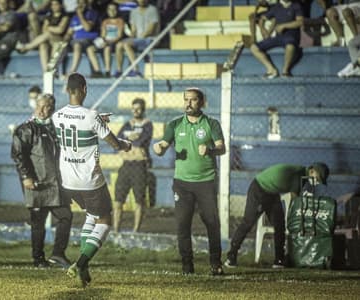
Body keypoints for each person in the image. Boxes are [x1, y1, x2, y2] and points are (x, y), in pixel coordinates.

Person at [51, 72, 131, 287]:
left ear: (67, 90)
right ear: (84, 89)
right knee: (105, 219)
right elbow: (114, 144)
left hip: (68, 181)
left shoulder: (57, 116)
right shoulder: (91, 116)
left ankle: (84, 267)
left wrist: (98, 121)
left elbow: (78, 126)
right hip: (90, 180)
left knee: (91, 215)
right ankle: (81, 262)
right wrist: (125, 144)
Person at [152, 87, 226, 276]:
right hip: (182, 184)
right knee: (182, 224)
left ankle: (215, 263)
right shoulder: (175, 124)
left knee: (211, 222)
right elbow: (163, 144)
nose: (188, 103)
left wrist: (209, 150)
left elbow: (222, 148)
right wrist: (158, 148)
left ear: (201, 102)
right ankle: (187, 266)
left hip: (206, 182)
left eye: (193, 100)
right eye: (186, 99)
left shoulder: (212, 123)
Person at [224, 162, 330, 269]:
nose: (316, 182)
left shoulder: (303, 176)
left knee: (279, 225)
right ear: (312, 171)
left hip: (272, 193)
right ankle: (231, 257)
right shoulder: (299, 175)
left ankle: (279, 260)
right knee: (248, 222)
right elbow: (294, 200)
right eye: (317, 178)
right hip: (259, 188)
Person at [11, 93, 73, 269]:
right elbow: (18, 155)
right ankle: (38, 258)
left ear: (52, 109)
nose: (41, 110)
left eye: (45, 107)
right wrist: (26, 176)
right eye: (39, 105)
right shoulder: (25, 129)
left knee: (66, 216)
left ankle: (58, 254)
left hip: (54, 183)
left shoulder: (55, 128)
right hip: (37, 183)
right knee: (38, 220)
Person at [113, 97, 153, 233]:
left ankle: (136, 231)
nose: (135, 111)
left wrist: (129, 140)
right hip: (126, 165)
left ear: (143, 110)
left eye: (138, 108)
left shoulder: (148, 124)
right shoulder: (127, 124)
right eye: (133, 108)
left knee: (138, 201)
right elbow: (117, 141)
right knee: (118, 201)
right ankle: (116, 230)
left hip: (139, 166)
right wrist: (130, 140)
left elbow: (141, 142)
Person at [250, 0, 304, 78]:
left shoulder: (296, 5)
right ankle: (271, 70)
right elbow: (262, 18)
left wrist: (284, 26)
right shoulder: (276, 7)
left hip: (291, 37)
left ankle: (285, 71)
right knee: (254, 48)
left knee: (290, 47)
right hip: (278, 37)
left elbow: (300, 22)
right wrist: (263, 30)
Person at [15, 0, 69, 73]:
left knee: (48, 34)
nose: (54, 6)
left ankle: (27, 47)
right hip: (50, 40)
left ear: (61, 5)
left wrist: (49, 28)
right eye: (52, 5)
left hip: (60, 41)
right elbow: (44, 29)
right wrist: (52, 29)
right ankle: (46, 71)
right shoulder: (49, 16)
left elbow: (60, 30)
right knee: (43, 45)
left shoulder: (65, 16)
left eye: (56, 4)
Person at [114, 0, 159, 77]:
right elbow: (134, 29)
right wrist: (131, 36)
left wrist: (136, 39)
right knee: (119, 45)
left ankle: (136, 70)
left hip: (150, 39)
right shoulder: (134, 11)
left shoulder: (153, 9)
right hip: (138, 39)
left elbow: (151, 29)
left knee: (126, 44)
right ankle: (119, 70)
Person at [65, 0, 103, 77]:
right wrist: (66, 37)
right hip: (77, 40)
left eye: (83, 3)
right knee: (79, 45)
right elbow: (69, 32)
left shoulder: (92, 13)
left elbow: (87, 28)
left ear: (87, 4)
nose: (81, 5)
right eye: (79, 3)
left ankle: (72, 71)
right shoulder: (74, 17)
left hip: (90, 40)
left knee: (78, 45)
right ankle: (97, 71)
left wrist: (80, 15)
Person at [99, 1, 124, 77]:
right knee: (106, 48)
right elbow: (103, 34)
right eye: (110, 9)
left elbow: (119, 35)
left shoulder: (120, 20)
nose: (112, 11)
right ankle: (107, 71)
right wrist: (104, 41)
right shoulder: (105, 21)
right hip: (107, 42)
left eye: (114, 9)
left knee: (117, 46)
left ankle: (119, 70)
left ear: (117, 10)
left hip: (116, 41)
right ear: (107, 11)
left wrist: (110, 42)